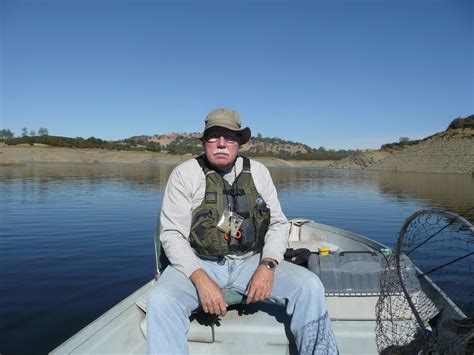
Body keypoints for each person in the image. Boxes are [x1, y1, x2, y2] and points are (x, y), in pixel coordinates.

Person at [147, 108, 337, 354]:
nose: (222, 144)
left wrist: (267, 266)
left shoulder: (259, 172)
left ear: (239, 143)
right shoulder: (184, 174)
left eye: (229, 137)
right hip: (199, 263)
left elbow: (279, 224)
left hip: (251, 261)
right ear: (204, 142)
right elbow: (171, 234)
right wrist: (200, 278)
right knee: (160, 301)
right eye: (214, 137)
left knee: (309, 286)